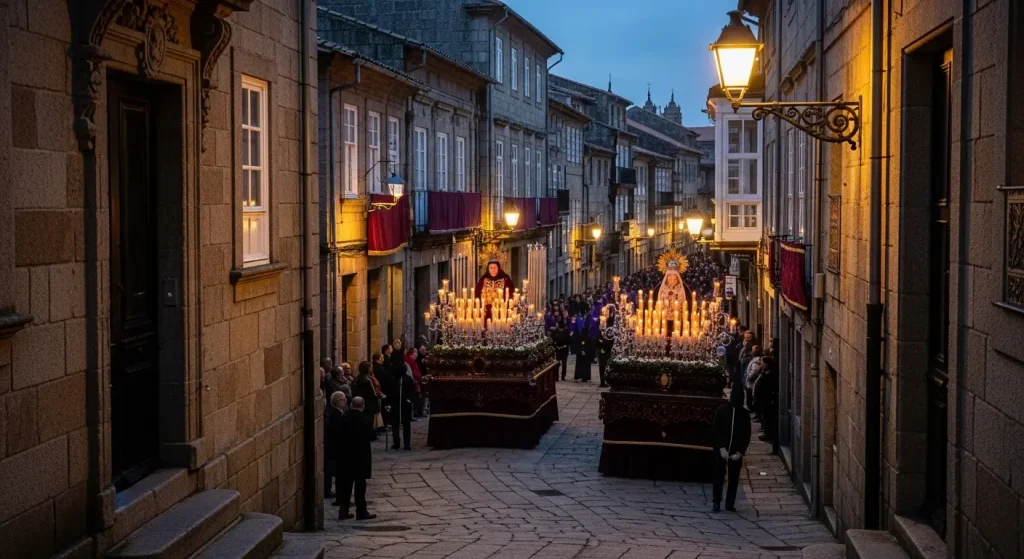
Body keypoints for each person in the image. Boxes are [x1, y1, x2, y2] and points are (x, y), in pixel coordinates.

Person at [333, 395, 376, 520]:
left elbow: (336, 435)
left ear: (351, 405)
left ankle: (343, 511)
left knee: (345, 485)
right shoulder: (364, 420)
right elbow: (372, 436)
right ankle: (361, 511)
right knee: (360, 486)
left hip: (345, 458)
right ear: (363, 406)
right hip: (360, 459)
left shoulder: (343, 418)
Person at [711, 389, 751, 512]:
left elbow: (746, 434)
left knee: (734, 477)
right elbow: (716, 431)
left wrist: (740, 452)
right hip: (722, 448)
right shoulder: (722, 411)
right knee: (718, 475)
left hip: (735, 449)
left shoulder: (744, 414)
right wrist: (721, 447)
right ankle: (716, 501)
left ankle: (730, 503)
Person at [389, 356, 417, 450]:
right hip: (399, 404)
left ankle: (403, 443)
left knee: (400, 424)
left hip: (403, 404)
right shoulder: (396, 380)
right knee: (402, 425)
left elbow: (412, 391)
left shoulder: (406, 380)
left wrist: (409, 399)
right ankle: (403, 443)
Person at [323, 389, 347, 500]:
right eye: (343, 400)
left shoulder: (334, 412)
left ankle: (329, 490)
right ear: (337, 401)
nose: (345, 401)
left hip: (333, 447)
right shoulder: (334, 414)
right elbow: (335, 431)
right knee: (331, 470)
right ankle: (328, 491)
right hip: (333, 447)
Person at [352, 361, 381, 440]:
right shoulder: (367, 381)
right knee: (369, 420)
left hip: (360, 401)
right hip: (369, 403)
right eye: (370, 367)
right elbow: (373, 394)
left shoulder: (357, 378)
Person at [754, 356, 779, 443]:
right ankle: (765, 431)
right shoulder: (764, 371)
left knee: (767, 417)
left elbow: (768, 386)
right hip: (762, 398)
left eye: (763, 363)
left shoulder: (770, 373)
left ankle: (768, 434)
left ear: (767, 364)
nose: (761, 364)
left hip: (766, 398)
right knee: (764, 416)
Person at [597, 306, 616, 388]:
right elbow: (599, 335)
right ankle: (602, 381)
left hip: (609, 348)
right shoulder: (602, 323)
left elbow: (612, 337)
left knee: (608, 366)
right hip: (603, 348)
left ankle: (607, 380)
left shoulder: (613, 324)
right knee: (602, 366)